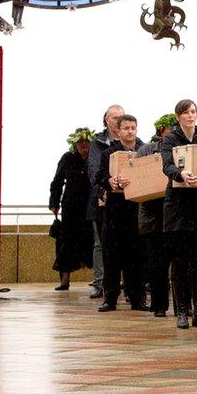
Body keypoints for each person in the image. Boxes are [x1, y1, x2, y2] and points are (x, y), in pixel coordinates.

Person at [161, 100, 197, 329]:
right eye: (186, 113)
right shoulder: (170, 140)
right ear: (178, 116)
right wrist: (180, 174)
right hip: (178, 207)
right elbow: (166, 165)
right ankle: (182, 311)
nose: (190, 116)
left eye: (193, 112)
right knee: (181, 261)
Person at [96, 115, 149, 312]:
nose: (130, 131)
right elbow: (100, 176)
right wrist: (110, 181)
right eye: (126, 128)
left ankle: (137, 298)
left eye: (133, 128)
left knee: (136, 256)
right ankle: (110, 298)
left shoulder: (144, 150)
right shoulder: (109, 153)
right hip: (115, 211)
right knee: (112, 255)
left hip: (137, 209)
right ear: (118, 131)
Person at [138, 114, 176, 318]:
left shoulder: (179, 147)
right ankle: (159, 304)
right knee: (156, 264)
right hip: (152, 215)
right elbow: (137, 177)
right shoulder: (146, 150)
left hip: (174, 212)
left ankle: (181, 306)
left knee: (178, 263)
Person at [48, 127, 95, 291]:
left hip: (91, 206)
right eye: (80, 142)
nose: (84, 145)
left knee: (93, 241)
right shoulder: (68, 158)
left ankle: (99, 280)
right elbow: (57, 181)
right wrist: (54, 202)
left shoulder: (95, 158)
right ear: (75, 144)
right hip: (71, 207)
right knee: (67, 241)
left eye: (87, 142)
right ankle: (64, 281)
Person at [85, 104, 124, 299]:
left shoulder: (135, 142)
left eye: (121, 117)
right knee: (101, 243)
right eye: (114, 117)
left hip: (126, 202)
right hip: (102, 200)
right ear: (106, 120)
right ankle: (101, 283)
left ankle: (128, 286)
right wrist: (102, 190)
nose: (118, 120)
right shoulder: (98, 143)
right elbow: (93, 171)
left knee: (127, 244)